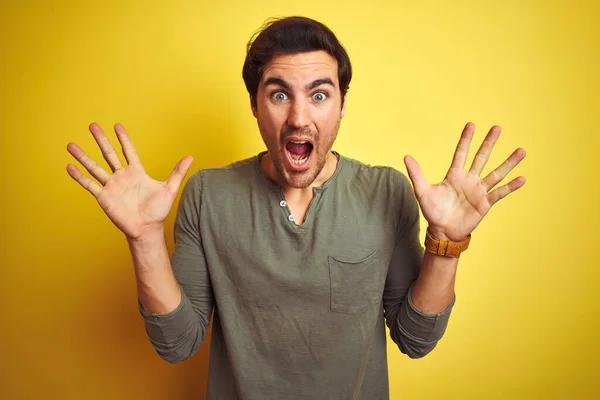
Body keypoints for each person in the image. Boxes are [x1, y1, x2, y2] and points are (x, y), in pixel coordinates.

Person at [66, 16, 526, 400]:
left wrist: (446, 243)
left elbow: (415, 339)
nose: (299, 117)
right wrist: (144, 238)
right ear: (254, 104)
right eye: (279, 93)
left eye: (320, 94)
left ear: (343, 105)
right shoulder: (207, 195)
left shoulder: (386, 192)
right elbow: (178, 343)